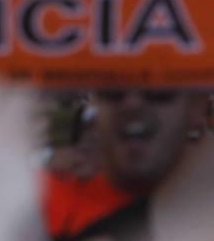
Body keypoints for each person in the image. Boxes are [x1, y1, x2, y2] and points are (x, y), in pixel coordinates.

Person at [44, 89, 209, 240]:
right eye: (114, 94)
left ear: (196, 106)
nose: (133, 105)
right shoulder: (42, 201)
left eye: (158, 94)